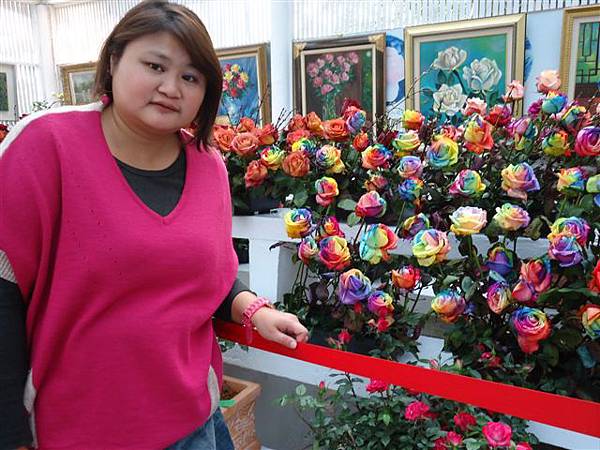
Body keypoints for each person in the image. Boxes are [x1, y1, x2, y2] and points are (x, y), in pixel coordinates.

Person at [0, 1, 308, 449]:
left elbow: (206, 275)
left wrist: (255, 311)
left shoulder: (208, 166)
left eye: (190, 77)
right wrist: (9, 433)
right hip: (77, 431)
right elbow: (3, 293)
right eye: (155, 66)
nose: (170, 88)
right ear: (113, 60)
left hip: (193, 425)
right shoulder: (46, 146)